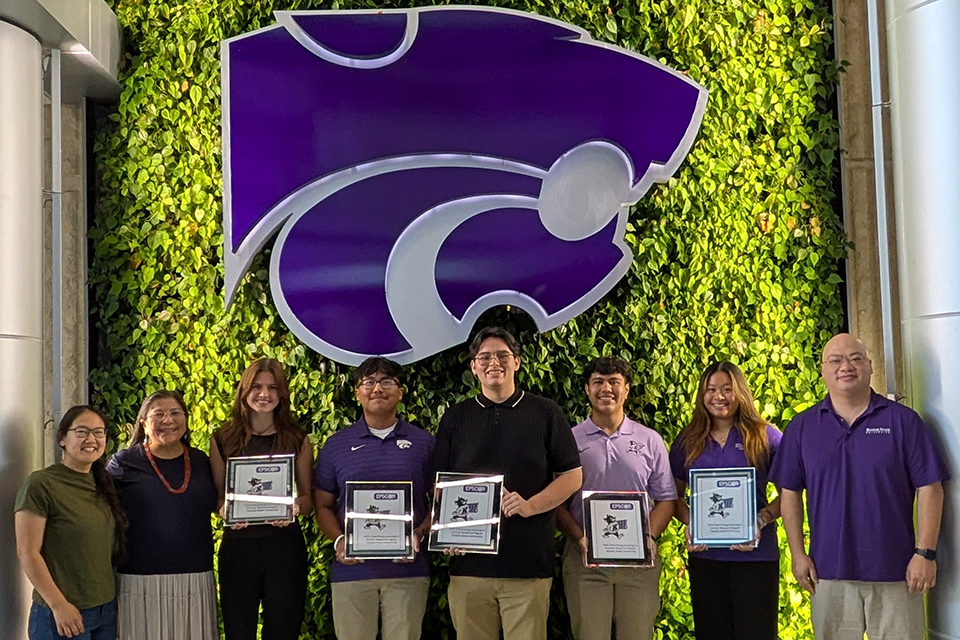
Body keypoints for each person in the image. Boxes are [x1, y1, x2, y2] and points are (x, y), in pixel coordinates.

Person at [771, 333, 949, 640]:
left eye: (855, 358)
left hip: (897, 572)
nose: (846, 366)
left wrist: (925, 553)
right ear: (823, 370)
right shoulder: (801, 427)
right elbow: (789, 494)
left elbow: (930, 488)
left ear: (869, 367)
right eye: (836, 360)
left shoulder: (903, 422)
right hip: (828, 573)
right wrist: (798, 554)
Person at [434, 326, 582, 640]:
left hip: (528, 566)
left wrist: (530, 506)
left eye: (502, 355)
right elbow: (440, 484)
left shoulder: (546, 413)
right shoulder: (455, 418)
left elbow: (572, 476)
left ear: (516, 362)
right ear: (473, 366)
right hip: (469, 567)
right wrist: (445, 532)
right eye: (484, 357)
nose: (493, 363)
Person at [313, 357, 436, 640]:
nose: (377, 388)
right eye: (368, 382)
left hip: (407, 573)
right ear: (357, 392)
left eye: (387, 381)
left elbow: (441, 501)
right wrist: (339, 540)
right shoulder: (336, 446)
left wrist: (418, 533)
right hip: (352, 574)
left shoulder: (424, 443)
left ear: (400, 392)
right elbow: (322, 504)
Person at [557, 356, 677, 640]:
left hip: (638, 563)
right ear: (587, 389)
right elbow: (556, 503)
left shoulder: (650, 440)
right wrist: (579, 537)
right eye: (598, 382)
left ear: (627, 390)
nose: (606, 389)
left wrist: (649, 537)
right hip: (584, 559)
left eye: (614, 382)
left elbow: (667, 499)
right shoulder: (569, 440)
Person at [669, 361, 782, 640]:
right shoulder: (688, 440)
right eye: (711, 390)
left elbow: (789, 494)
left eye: (727, 389)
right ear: (701, 395)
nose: (718, 396)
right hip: (706, 557)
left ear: (740, 392)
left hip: (756, 557)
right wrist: (691, 521)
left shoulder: (766, 436)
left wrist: (762, 518)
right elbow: (672, 496)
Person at [210, 358, 315, 640]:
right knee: (238, 631)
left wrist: (294, 508)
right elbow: (219, 499)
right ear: (244, 391)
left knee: (283, 631)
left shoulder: (298, 438)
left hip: (284, 549)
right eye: (256, 386)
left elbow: (308, 500)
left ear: (282, 394)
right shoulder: (222, 438)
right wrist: (225, 511)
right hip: (238, 548)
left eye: (272, 387)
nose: (264, 394)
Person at [106, 390, 219, 640]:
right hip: (139, 580)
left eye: (176, 413)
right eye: (159, 414)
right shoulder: (123, 463)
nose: (168, 420)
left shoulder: (201, 461)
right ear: (144, 423)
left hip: (195, 579)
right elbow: (99, 510)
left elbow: (220, 504)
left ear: (186, 420)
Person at [15, 405, 127, 640]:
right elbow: (28, 552)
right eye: (82, 431)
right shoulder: (41, 484)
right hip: (63, 613)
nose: (91, 439)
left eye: (98, 432)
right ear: (62, 438)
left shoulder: (103, 485)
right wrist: (58, 605)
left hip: (105, 610)